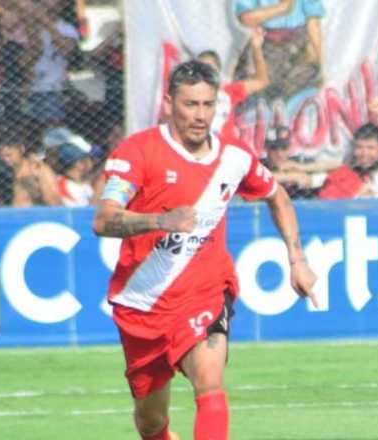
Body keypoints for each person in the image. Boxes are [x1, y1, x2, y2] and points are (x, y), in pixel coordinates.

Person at [92, 61, 318, 440]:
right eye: (190, 104)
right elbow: (104, 220)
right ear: (168, 104)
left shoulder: (235, 157)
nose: (200, 115)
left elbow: (277, 196)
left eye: (207, 105)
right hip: (143, 304)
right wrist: (158, 221)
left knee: (209, 377)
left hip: (204, 292)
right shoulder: (138, 153)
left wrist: (298, 260)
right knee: (150, 422)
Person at [318, 98, 378, 200]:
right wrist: (357, 197)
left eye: (370, 148)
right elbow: (328, 204)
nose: (364, 153)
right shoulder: (341, 175)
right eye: (359, 147)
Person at [234, 0, 323, 102]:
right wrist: (282, 8)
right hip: (264, 46)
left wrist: (317, 58)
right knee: (254, 94)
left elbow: (313, 21)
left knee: (303, 96)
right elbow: (245, 18)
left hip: (298, 46)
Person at [197, 27, 270, 140]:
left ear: (218, 73)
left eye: (210, 69)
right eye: (201, 69)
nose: (205, 74)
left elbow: (261, 81)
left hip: (224, 150)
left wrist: (256, 48)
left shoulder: (229, 92)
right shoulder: (187, 95)